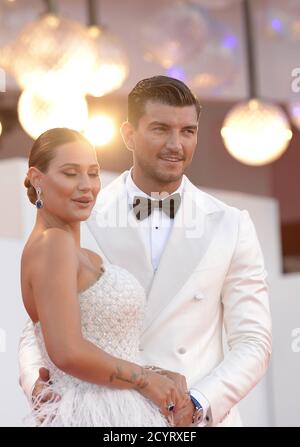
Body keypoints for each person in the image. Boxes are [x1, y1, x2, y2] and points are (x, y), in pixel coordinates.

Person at [19, 76, 272, 427]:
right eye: (160, 129)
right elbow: (41, 324)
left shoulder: (231, 224)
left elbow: (254, 341)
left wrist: (199, 402)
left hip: (194, 420)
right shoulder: (82, 213)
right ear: (128, 135)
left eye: (188, 131)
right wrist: (35, 381)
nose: (176, 144)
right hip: (103, 415)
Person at [20, 127, 190, 427]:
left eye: (93, 173)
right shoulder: (52, 244)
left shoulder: (80, 253)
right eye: (71, 173)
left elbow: (100, 344)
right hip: (96, 415)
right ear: (37, 179)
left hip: (122, 409)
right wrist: (145, 379)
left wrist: (156, 375)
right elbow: (67, 352)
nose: (86, 186)